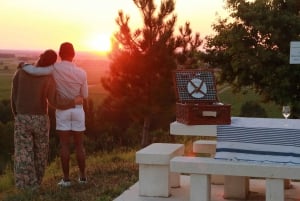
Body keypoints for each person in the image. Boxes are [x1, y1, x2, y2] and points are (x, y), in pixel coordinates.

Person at [11, 49, 81, 189]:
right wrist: (73, 102)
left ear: (40, 56)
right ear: (53, 64)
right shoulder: (48, 78)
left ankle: (25, 186)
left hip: (22, 118)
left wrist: (17, 115)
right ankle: (36, 184)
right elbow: (55, 101)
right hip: (40, 120)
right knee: (41, 153)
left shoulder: (21, 72)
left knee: (23, 153)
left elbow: (14, 96)